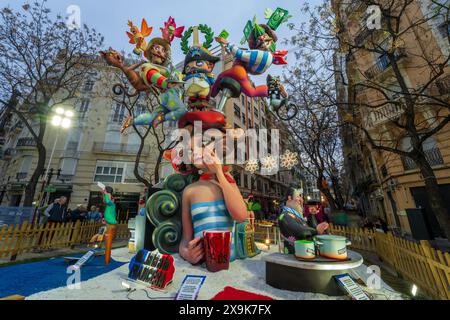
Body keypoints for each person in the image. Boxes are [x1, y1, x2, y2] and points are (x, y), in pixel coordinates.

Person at [178, 114, 248, 265]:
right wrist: (186, 253)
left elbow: (241, 215)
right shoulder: (189, 192)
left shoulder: (228, 181)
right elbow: (185, 240)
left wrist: (220, 175)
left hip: (230, 265)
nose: (195, 154)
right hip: (203, 264)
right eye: (190, 150)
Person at [278, 189, 329, 254]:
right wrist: (316, 230)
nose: (301, 200)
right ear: (289, 198)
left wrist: (312, 215)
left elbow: (311, 227)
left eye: (301, 197)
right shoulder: (284, 216)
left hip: (307, 253)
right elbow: (299, 231)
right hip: (295, 255)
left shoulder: (296, 215)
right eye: (298, 196)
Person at [102, 186, 117, 265]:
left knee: (108, 244)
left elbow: (107, 201)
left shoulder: (111, 203)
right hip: (110, 223)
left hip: (111, 224)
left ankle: (107, 261)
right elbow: (113, 214)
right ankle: (107, 260)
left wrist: (106, 194)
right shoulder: (111, 205)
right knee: (107, 243)